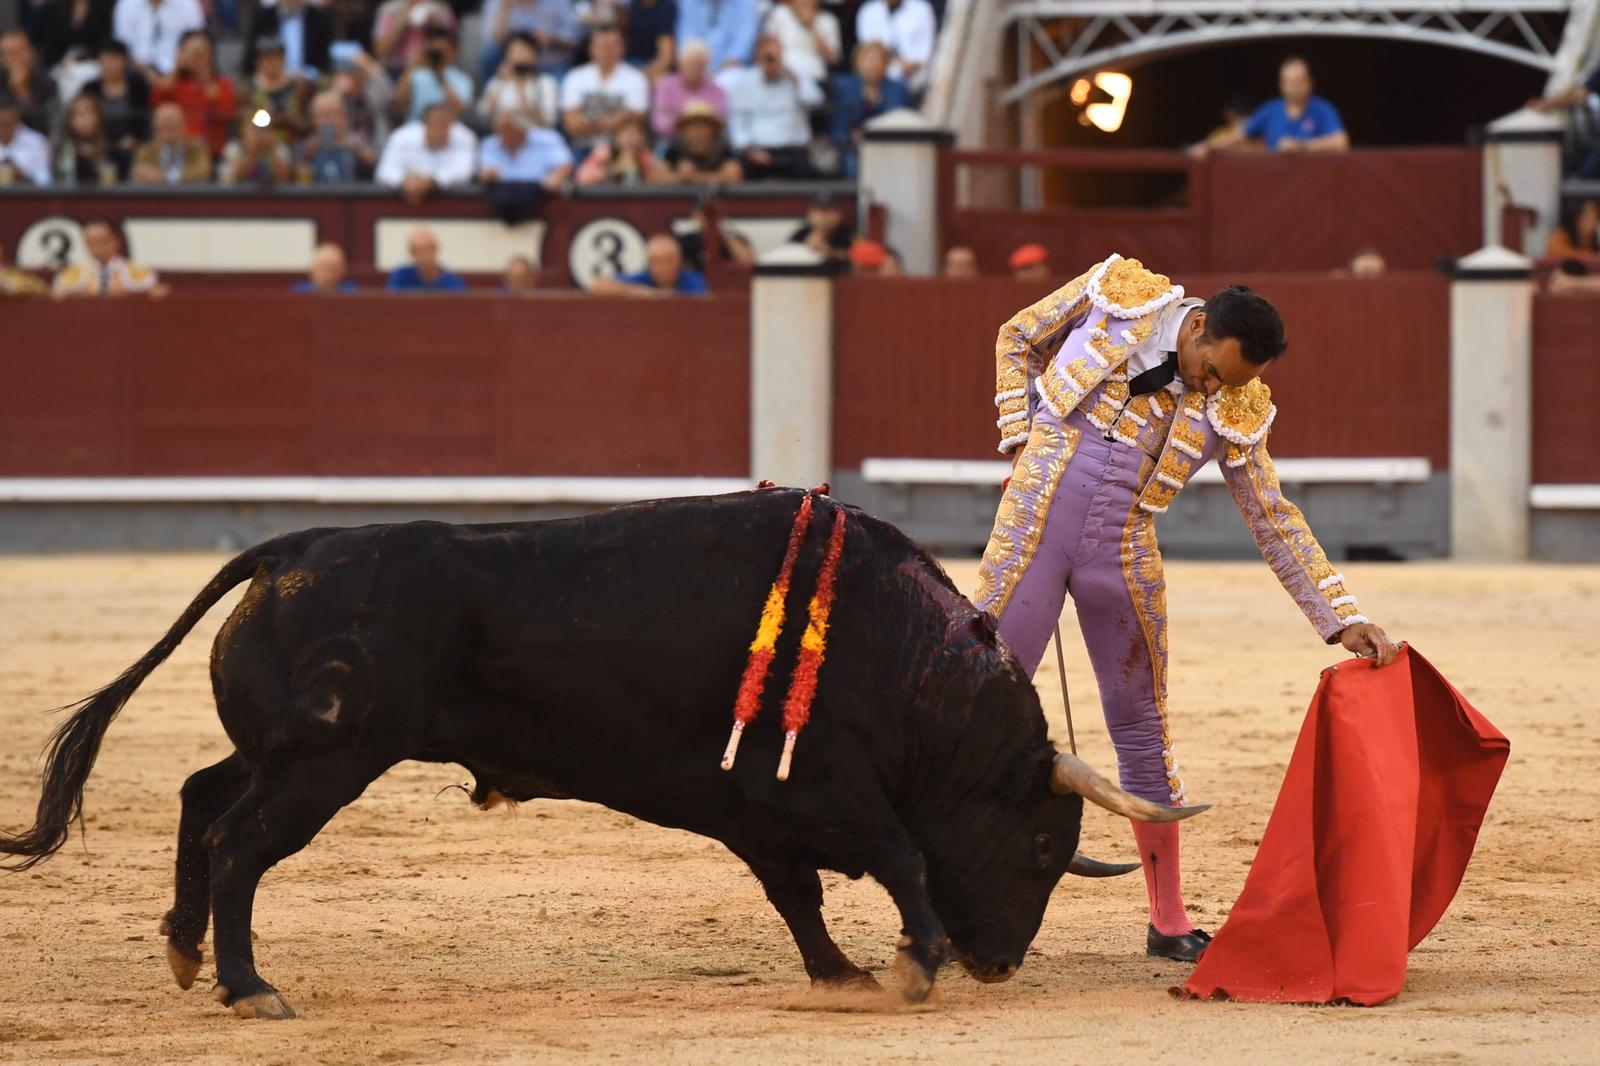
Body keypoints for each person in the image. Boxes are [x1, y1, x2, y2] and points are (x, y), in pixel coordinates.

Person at [976, 253, 1398, 963]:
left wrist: (1340, 615)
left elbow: (1271, 514)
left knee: (1142, 723)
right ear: (1197, 325)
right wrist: (1022, 435)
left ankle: (1167, 919)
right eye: (1212, 372)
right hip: (1033, 522)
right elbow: (1016, 335)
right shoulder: (1118, 292)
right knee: (977, 698)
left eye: (1229, 384)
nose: (1212, 390)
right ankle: (946, 891)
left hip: (1122, 548)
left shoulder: (1239, 402)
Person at [1195, 57, 1347, 157]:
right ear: (1282, 85)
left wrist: (1300, 146)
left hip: (1314, 187)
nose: (1295, 87)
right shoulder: (1270, 110)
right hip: (1276, 187)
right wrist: (1209, 146)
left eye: (1299, 81)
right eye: (1290, 82)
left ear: (1310, 83)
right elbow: (1239, 133)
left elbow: (1341, 142)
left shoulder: (1323, 109)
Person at [718, 34, 820, 179]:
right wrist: (749, 150)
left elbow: (815, 102)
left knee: (807, 169)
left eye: (774, 56)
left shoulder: (797, 75)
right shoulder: (744, 82)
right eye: (766, 56)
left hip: (793, 150)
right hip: (756, 150)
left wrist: (790, 75)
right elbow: (737, 122)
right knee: (736, 168)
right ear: (757, 56)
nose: (770, 61)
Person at [559, 23, 649, 154]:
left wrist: (589, 122)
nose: (607, 51)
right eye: (603, 46)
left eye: (612, 46)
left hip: (620, 148)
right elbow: (571, 124)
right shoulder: (575, 77)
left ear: (622, 48)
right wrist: (614, 121)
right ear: (591, 49)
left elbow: (637, 118)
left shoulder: (636, 78)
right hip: (581, 148)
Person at [150, 31, 236, 158]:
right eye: (191, 50)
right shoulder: (175, 83)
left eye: (202, 50)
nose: (196, 55)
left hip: (211, 151)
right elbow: (156, 103)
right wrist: (176, 67)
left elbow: (226, 113)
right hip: (175, 151)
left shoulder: (221, 83)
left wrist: (205, 74)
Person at [830, 40, 906, 177]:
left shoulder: (896, 88)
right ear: (858, 63)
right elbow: (841, 121)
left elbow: (897, 120)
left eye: (877, 60)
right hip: (854, 146)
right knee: (852, 164)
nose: (872, 65)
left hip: (887, 144)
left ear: (885, 65)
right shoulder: (844, 86)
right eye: (867, 59)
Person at [375, 101, 477, 204]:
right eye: (436, 123)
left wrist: (432, 181)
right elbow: (385, 171)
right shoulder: (401, 137)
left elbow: (465, 171)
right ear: (424, 124)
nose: (441, 130)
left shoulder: (465, 137)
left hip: (451, 206)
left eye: (446, 123)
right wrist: (405, 181)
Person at [82, 39, 151, 176]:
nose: (111, 64)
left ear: (125, 62)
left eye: (115, 58)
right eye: (106, 59)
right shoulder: (90, 88)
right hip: (97, 143)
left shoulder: (138, 88)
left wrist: (135, 139)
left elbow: (145, 119)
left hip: (130, 145)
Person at [51, 217, 165, 295]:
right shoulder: (72, 273)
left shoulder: (137, 271)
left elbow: (155, 292)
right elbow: (56, 295)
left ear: (116, 241)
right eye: (91, 243)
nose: (98, 248)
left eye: (103, 241)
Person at [480, 0, 579, 81]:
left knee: (560, 83)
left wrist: (551, 39)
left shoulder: (559, 2)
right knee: (490, 56)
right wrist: (504, 10)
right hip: (513, 63)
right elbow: (491, 41)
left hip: (549, 63)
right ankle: (492, 87)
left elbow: (574, 38)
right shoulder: (497, 3)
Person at [853, 0, 935, 98]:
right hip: (880, 83)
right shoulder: (867, 12)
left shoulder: (921, 8)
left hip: (917, 80)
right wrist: (893, 62)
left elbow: (926, 47)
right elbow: (867, 50)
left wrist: (912, 65)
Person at [477, 32, 559, 128]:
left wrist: (519, 86)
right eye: (512, 51)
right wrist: (501, 84)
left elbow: (548, 121)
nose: (517, 55)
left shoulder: (546, 82)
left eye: (522, 49)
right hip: (504, 135)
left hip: (536, 134)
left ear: (534, 54)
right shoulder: (497, 81)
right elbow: (483, 113)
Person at [650, 37, 725, 140]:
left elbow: (720, 121)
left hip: (708, 143)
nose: (695, 68)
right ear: (680, 63)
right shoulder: (665, 86)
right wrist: (686, 121)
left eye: (699, 64)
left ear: (706, 65)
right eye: (691, 63)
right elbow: (659, 122)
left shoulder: (717, 90)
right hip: (674, 140)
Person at [589, 231, 707, 295]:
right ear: (649, 263)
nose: (663, 267)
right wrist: (642, 292)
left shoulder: (693, 280)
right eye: (656, 261)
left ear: (679, 261)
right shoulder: (644, 278)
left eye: (668, 260)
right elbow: (596, 285)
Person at [395, 25, 471, 123]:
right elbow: (399, 105)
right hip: (417, 127)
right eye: (434, 51)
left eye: (442, 51)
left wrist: (440, 77)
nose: (437, 56)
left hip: (448, 129)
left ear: (454, 52)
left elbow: (460, 111)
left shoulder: (462, 79)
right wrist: (411, 67)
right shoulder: (416, 74)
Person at [296, 88, 376, 182]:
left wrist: (358, 151)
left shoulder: (359, 145)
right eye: (322, 115)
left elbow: (378, 170)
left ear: (345, 117)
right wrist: (305, 158)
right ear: (312, 120)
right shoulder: (306, 149)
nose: (328, 120)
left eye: (333, 113)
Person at [111, 0, 206, 78]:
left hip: (181, 70)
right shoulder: (126, 4)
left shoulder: (188, 4)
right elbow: (121, 47)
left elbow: (199, 42)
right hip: (137, 71)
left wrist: (176, 69)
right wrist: (145, 71)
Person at [479, 108, 572, 186]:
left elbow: (565, 166)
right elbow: (484, 172)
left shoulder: (548, 139)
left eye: (508, 128)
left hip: (539, 194)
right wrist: (487, 176)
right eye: (498, 129)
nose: (501, 134)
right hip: (502, 193)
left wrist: (557, 177)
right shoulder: (489, 144)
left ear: (521, 128)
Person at [244, 0, 333, 79]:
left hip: (308, 84)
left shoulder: (318, 18)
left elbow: (324, 61)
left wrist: (308, 75)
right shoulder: (264, 16)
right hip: (270, 83)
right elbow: (250, 60)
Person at [658, 100, 740, 183]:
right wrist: (678, 176)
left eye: (703, 126)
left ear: (714, 130)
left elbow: (733, 175)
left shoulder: (723, 150)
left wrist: (693, 176)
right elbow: (655, 176)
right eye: (692, 126)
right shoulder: (674, 151)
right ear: (683, 131)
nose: (698, 132)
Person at [764, 0, 838, 92]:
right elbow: (768, 47)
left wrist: (811, 26)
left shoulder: (828, 20)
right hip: (782, 75)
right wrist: (783, 70)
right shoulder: (780, 14)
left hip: (814, 80)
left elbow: (833, 60)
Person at [129, 99, 210, 181]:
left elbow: (203, 172)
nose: (168, 127)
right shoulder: (145, 151)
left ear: (183, 126)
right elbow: (137, 175)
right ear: (155, 127)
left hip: (189, 193)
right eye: (164, 124)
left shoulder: (197, 149)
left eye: (172, 124)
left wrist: (165, 176)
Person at [370, 0, 456, 75]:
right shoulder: (389, 10)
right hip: (396, 71)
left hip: (433, 71)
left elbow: (453, 52)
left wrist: (436, 27)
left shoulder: (442, 11)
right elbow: (380, 52)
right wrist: (403, 23)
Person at [574, 110, 657, 184]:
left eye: (636, 133)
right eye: (626, 134)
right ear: (615, 137)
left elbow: (658, 178)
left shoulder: (643, 154)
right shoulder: (604, 152)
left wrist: (641, 170)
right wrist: (613, 171)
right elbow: (582, 177)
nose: (631, 139)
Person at [30, 0, 115, 70]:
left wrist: (86, 58)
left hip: (92, 63)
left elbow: (104, 40)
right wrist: (60, 61)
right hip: (62, 64)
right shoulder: (54, 9)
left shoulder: (104, 7)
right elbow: (50, 43)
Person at [54, 93, 119, 185]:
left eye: (91, 113)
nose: (86, 119)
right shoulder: (63, 149)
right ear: (70, 120)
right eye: (81, 114)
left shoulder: (111, 145)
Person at [0, 28, 56, 133]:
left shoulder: (47, 84)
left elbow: (46, 128)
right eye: (6, 54)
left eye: (17, 52)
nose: (14, 59)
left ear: (30, 53)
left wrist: (22, 92)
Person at [676, 0, 757, 72]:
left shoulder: (745, 3)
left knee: (730, 79)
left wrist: (716, 76)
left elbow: (741, 49)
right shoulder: (689, 2)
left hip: (729, 70)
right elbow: (685, 41)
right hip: (695, 67)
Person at [388, 226, 466, 291]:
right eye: (418, 251)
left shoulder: (452, 282)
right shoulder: (401, 277)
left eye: (428, 249)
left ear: (436, 249)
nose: (424, 255)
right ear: (411, 253)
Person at [221, 111, 292, 183]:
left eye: (264, 129)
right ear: (242, 130)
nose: (258, 133)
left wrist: (271, 151)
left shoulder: (279, 148)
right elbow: (235, 178)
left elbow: (284, 178)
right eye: (253, 128)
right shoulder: (232, 148)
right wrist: (252, 151)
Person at [0, 92, 53, 185]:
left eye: (8, 124)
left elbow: (45, 180)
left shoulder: (37, 142)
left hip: (27, 197)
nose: (3, 130)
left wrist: (23, 175)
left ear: (17, 119)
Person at [788, 190, 850, 260]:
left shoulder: (849, 235)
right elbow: (786, 257)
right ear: (809, 214)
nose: (824, 216)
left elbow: (856, 256)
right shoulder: (800, 235)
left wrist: (830, 252)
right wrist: (805, 249)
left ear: (840, 214)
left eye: (830, 211)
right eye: (819, 210)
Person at [624, 0, 676, 80]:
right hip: (630, 63)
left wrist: (641, 76)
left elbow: (666, 57)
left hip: (654, 65)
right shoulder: (630, 6)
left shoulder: (667, 7)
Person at [292, 241, 357, 292]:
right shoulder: (299, 293)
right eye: (322, 267)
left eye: (331, 267)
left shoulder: (352, 293)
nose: (326, 273)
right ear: (312, 268)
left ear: (342, 270)